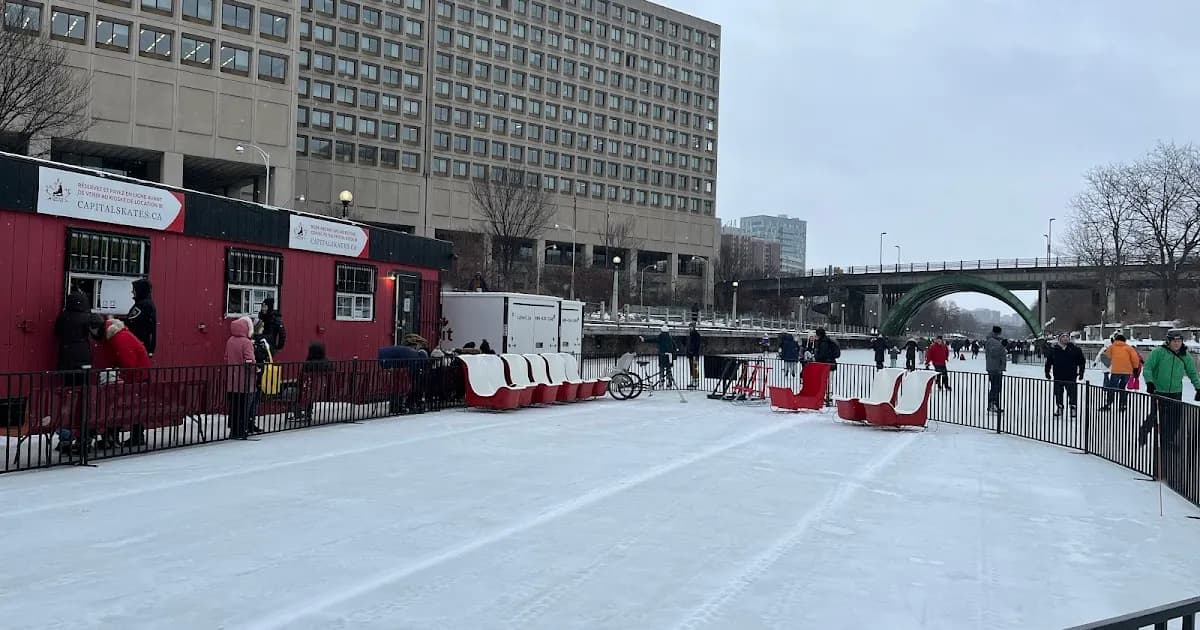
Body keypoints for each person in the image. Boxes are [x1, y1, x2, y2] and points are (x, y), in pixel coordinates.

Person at [1139, 332, 1200, 450]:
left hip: (1176, 391)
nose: (1177, 343)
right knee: (1155, 416)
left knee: (1175, 419)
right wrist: (1150, 382)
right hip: (1159, 391)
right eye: (1174, 341)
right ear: (1168, 341)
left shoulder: (1185, 355)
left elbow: (1192, 373)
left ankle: (1168, 441)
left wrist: (1198, 387)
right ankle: (1143, 433)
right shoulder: (1158, 352)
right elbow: (1148, 368)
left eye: (1179, 341)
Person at [54, 290, 97, 386]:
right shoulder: (88, 317)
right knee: (83, 383)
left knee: (68, 383)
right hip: (83, 353)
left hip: (66, 352)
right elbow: (97, 332)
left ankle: (69, 399)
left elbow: (57, 333)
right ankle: (82, 399)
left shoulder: (63, 316)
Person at [224, 316, 257, 439]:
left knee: (234, 406)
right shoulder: (246, 342)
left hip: (232, 379)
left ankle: (233, 430)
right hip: (246, 380)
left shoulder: (230, 340)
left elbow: (226, 358)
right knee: (245, 406)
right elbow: (249, 360)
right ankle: (242, 430)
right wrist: (256, 368)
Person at [1044, 333, 1085, 417]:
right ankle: (1059, 407)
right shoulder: (1054, 350)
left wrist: (1081, 373)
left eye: (1067, 337)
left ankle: (1073, 408)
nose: (1065, 338)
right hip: (1058, 375)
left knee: (1072, 393)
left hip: (1071, 375)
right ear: (1059, 339)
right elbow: (1048, 362)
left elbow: (1081, 362)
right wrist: (1047, 372)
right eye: (1063, 337)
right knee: (1058, 393)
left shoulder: (1075, 349)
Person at [1100, 334, 1141, 412]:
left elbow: (1105, 357)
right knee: (1122, 387)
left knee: (1112, 387)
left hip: (1116, 371)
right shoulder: (1129, 348)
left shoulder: (1112, 347)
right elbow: (1135, 358)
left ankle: (1109, 404)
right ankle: (1123, 405)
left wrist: (1108, 365)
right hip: (1127, 372)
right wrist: (1135, 368)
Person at [126, 278, 157, 358]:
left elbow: (130, 321)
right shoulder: (148, 304)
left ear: (140, 290)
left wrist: (115, 321)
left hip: (138, 345)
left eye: (134, 289)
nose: (132, 292)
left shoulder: (142, 305)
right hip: (143, 345)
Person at [984, 326, 1007, 413]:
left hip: (995, 367)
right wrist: (1002, 346)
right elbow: (994, 353)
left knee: (996, 387)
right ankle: (992, 404)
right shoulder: (992, 341)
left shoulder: (993, 340)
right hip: (995, 368)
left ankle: (994, 404)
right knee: (995, 387)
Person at [685, 324, 703, 389]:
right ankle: (693, 380)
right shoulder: (690, 335)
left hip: (695, 354)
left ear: (694, 327)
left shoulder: (696, 335)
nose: (690, 328)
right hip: (690, 354)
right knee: (692, 368)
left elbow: (697, 345)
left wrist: (693, 351)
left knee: (695, 368)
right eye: (689, 327)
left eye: (691, 327)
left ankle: (696, 381)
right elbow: (688, 344)